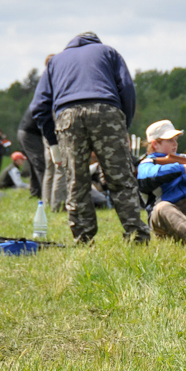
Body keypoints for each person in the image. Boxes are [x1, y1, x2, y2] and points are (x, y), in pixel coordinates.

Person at [29, 33, 150, 244]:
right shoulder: (108, 52)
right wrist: (123, 124)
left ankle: (83, 238)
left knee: (76, 181)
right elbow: (127, 88)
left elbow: (39, 106)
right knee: (120, 178)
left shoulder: (55, 61)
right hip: (106, 110)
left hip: (68, 116)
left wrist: (54, 142)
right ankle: (136, 235)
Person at [16, 106, 45, 199]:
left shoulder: (41, 97)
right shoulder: (49, 98)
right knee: (41, 164)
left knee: (34, 164)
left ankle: (36, 192)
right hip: (31, 134)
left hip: (24, 132)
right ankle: (46, 195)